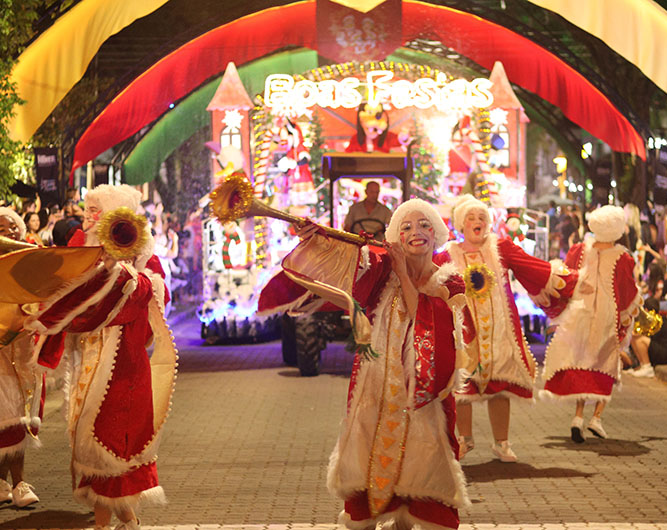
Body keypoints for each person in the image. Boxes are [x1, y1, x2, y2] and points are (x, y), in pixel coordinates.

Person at [258, 199, 476, 530]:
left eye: (423, 225)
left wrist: (402, 272)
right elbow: (341, 267)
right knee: (368, 466)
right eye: (405, 227)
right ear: (396, 239)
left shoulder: (450, 282)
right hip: (375, 391)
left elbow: (424, 318)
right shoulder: (380, 275)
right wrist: (314, 239)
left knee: (422, 474)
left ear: (437, 234)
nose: (415, 232)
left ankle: (409, 518)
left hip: (424, 400)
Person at [25, 185, 177, 530]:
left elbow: (152, 295)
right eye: (87, 209)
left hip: (123, 364)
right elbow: (62, 295)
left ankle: (104, 521)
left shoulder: (143, 259)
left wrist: (121, 275)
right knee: (84, 437)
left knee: (108, 438)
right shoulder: (81, 249)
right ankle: (125, 517)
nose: (89, 216)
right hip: (85, 360)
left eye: (96, 210)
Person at [434, 195, 571, 462]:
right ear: (461, 224)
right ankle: (465, 439)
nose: (478, 222)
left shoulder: (502, 247)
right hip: (463, 331)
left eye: (482, 218)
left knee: (501, 385)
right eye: (471, 218)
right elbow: (429, 281)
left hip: (500, 332)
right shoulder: (447, 255)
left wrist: (570, 281)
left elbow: (535, 269)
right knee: (462, 387)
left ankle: (502, 443)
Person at [541, 205, 640, 443]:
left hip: (580, 312)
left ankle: (578, 417)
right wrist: (630, 312)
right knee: (606, 363)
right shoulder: (623, 257)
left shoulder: (579, 250)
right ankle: (597, 417)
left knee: (582, 362)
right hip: (608, 315)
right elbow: (627, 291)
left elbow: (566, 276)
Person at [0, 208, 41, 508]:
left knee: (17, 416)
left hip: (24, 351)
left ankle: (17, 482)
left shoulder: (32, 259)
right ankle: (8, 482)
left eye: (11, 226)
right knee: (5, 417)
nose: (7, 231)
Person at [627, 297, 667, 378]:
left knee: (640, 339)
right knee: (634, 338)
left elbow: (647, 336)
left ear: (646, 310)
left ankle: (647, 367)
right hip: (659, 349)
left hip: (666, 355)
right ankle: (642, 365)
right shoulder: (652, 319)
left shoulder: (658, 321)